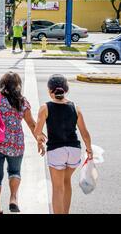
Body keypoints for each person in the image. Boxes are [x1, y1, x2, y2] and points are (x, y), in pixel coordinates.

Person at [0, 72, 38, 214]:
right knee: (15, 171)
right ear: (18, 85)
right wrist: (39, 140)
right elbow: (31, 124)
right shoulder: (22, 101)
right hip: (16, 143)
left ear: (2, 83)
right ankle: (13, 198)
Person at [34, 74, 93, 214]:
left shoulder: (45, 108)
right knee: (66, 182)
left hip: (56, 151)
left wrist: (40, 141)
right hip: (74, 151)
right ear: (66, 90)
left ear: (50, 90)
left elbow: (37, 131)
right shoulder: (75, 107)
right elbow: (85, 133)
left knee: (57, 187)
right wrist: (89, 150)